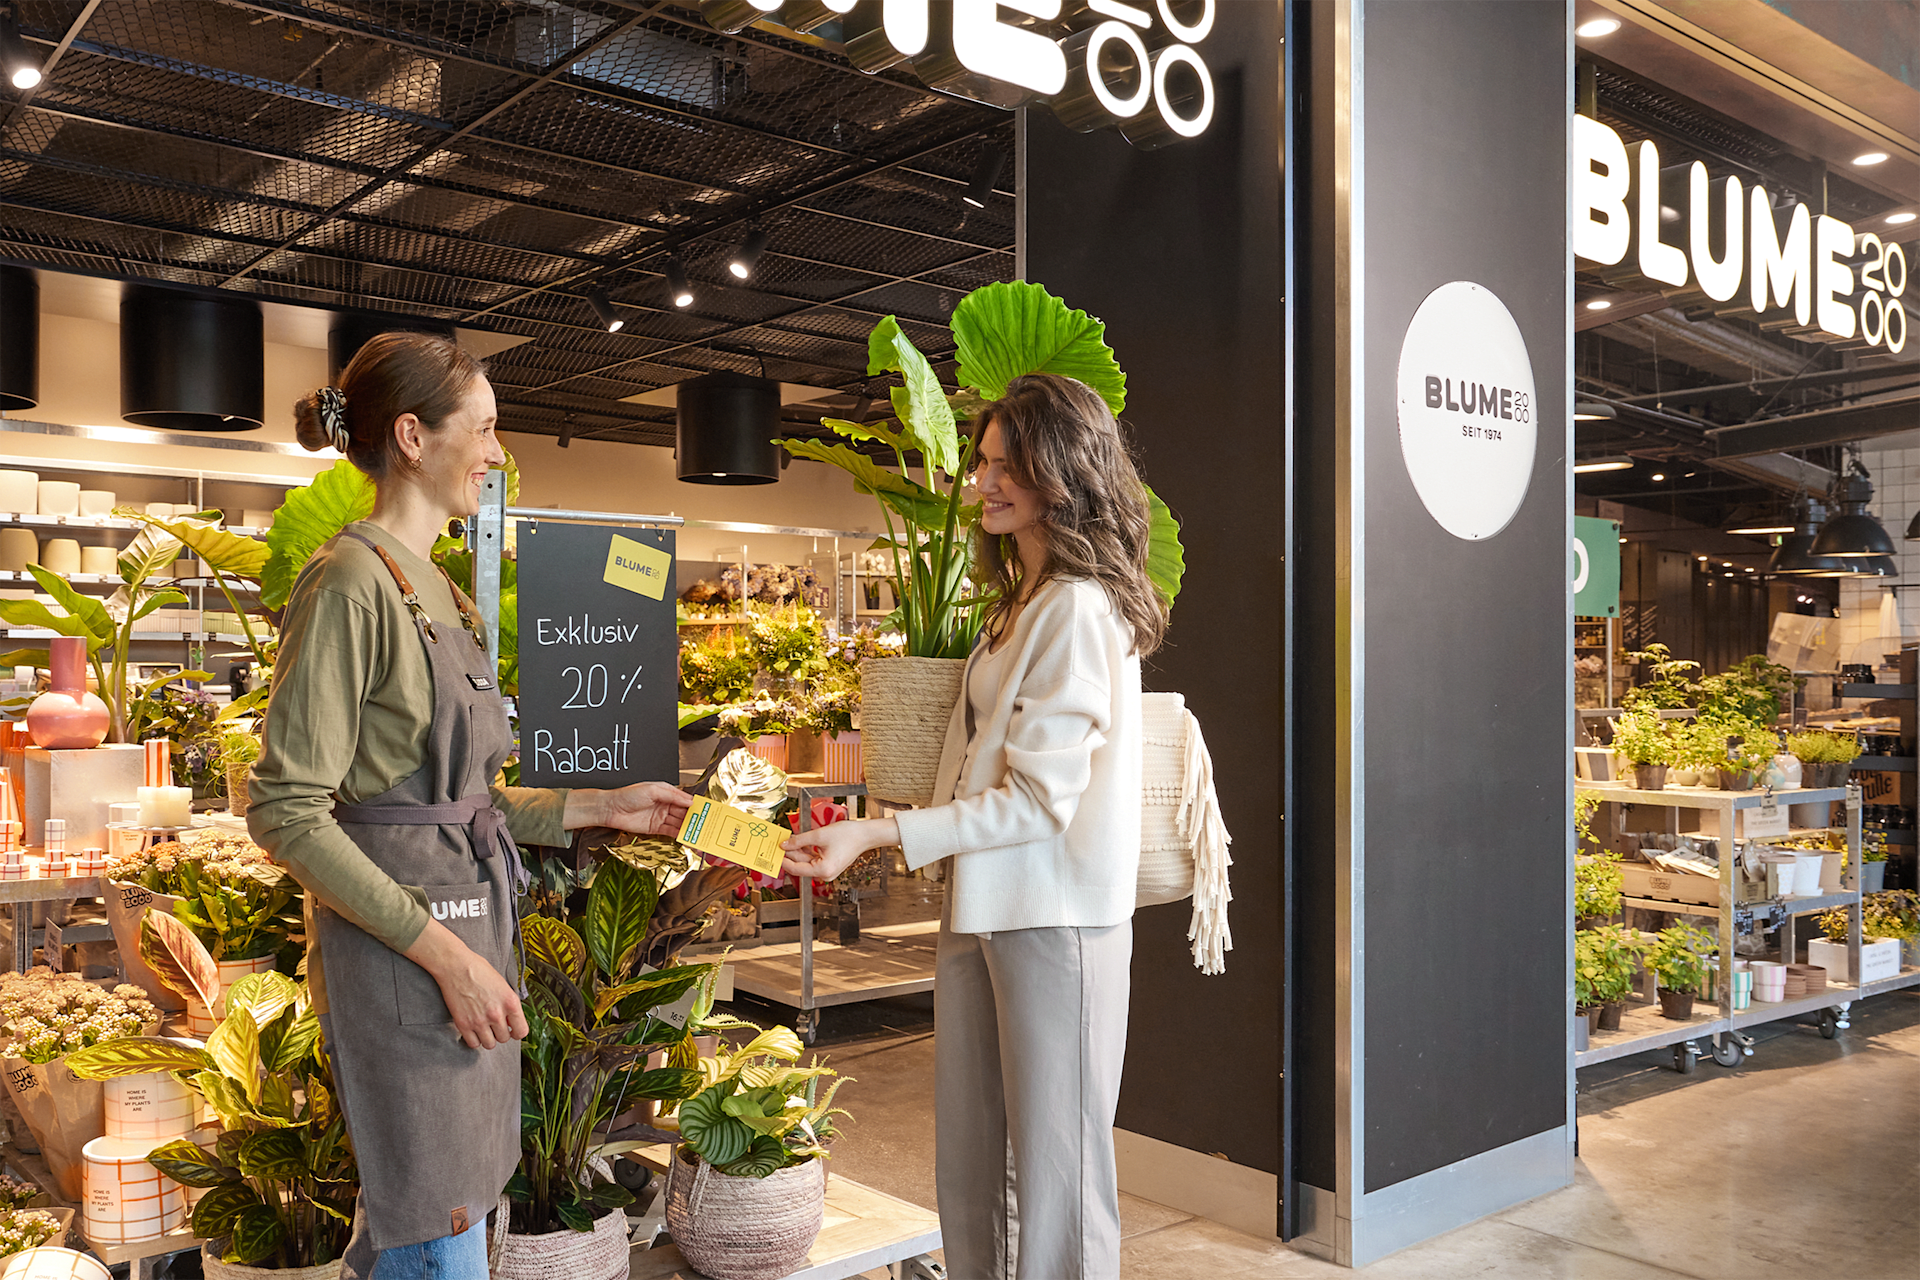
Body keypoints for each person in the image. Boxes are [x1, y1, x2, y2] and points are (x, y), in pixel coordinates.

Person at [248, 332, 693, 1280]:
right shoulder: (349, 584)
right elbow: (287, 812)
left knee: (462, 1208)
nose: (496, 453)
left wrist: (597, 807)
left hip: (466, 936)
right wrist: (446, 959)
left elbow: (463, 803)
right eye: (484, 429)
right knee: (433, 1222)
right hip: (413, 962)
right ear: (413, 435)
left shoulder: (439, 589)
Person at [781, 372, 1164, 1280]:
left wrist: (879, 838)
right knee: (972, 1158)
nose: (985, 482)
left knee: (1059, 1180)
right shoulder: (1017, 603)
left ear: (1063, 472)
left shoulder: (1075, 607)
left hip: (1056, 922)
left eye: (1008, 465)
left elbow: (1041, 802)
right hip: (987, 909)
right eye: (984, 462)